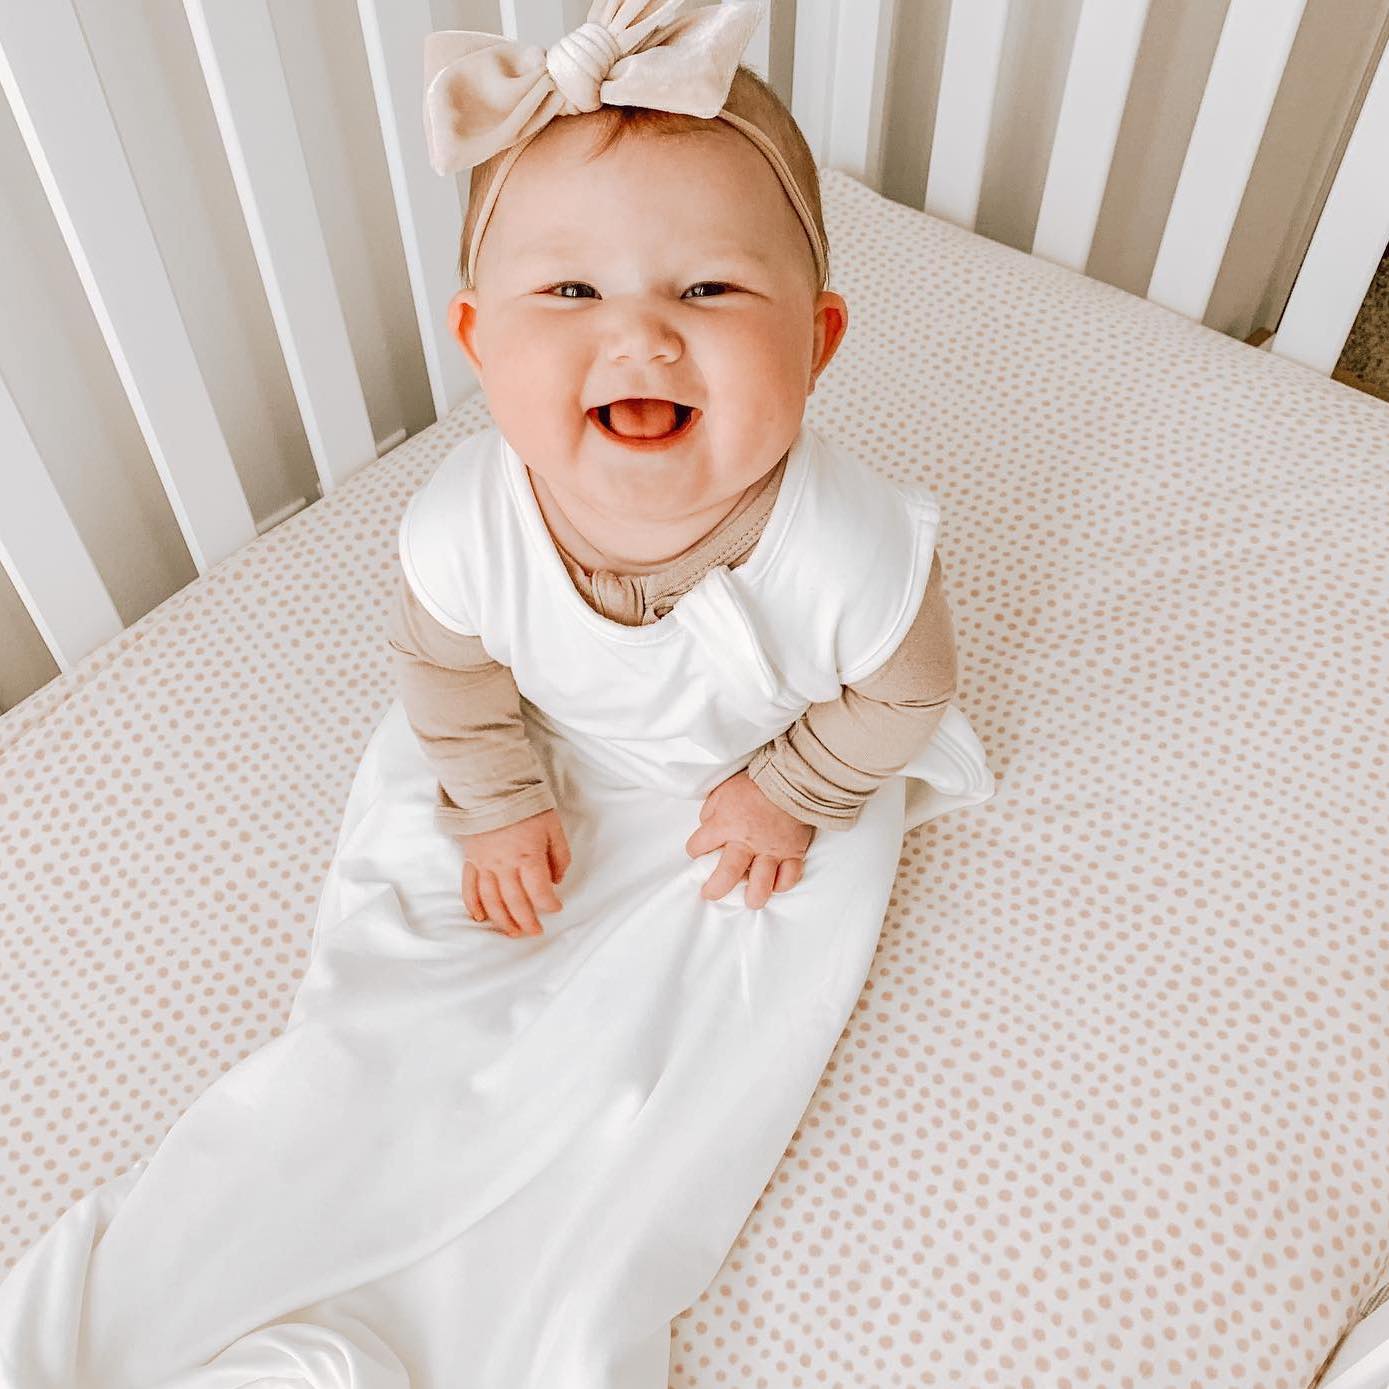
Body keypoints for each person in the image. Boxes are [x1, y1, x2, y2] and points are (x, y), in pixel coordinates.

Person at [0, 5, 995, 1386]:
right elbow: (453, 673)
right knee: (388, 1035)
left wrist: (793, 788)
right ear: (477, 340)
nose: (639, 336)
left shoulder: (847, 548)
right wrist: (494, 798)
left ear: (818, 338)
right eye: (568, 294)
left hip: (746, 785)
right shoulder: (467, 525)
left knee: (664, 1086)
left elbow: (905, 694)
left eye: (708, 291)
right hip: (536, 753)